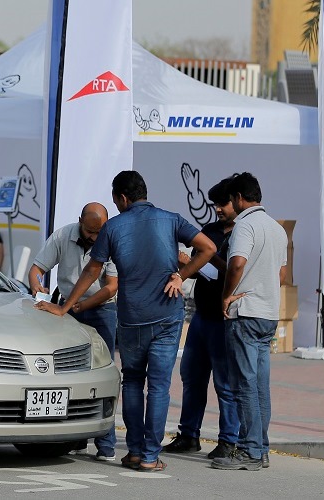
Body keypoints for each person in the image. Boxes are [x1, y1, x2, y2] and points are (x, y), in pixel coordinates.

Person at [37, 171, 216, 472]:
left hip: (132, 317)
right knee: (158, 386)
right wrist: (180, 276)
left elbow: (92, 272)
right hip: (167, 316)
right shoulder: (171, 219)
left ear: (122, 198)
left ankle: (134, 451)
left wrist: (65, 307)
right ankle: (149, 456)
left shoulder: (113, 227)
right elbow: (208, 248)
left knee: (132, 382)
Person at [28, 202, 119, 461]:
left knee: (102, 372)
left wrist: (78, 306)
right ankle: (76, 437)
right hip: (68, 307)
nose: (93, 238)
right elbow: (37, 269)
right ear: (80, 220)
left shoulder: (110, 240)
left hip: (100, 309)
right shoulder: (62, 236)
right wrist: (37, 286)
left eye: (98, 232)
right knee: (71, 371)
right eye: (89, 231)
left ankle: (106, 444)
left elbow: (111, 287)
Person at [211, 172, 288, 472]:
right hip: (268, 314)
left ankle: (250, 450)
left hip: (245, 313)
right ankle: (261, 448)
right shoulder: (276, 228)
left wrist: (227, 295)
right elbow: (281, 275)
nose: (230, 204)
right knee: (259, 385)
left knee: (244, 384)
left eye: (231, 199)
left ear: (239, 199)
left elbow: (237, 263)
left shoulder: (245, 225)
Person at [162, 178, 240, 459]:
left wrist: (209, 258)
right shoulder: (209, 230)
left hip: (225, 319)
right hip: (201, 316)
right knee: (191, 378)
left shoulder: (244, 232)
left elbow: (234, 270)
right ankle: (188, 435)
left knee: (225, 383)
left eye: (222, 204)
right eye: (214, 205)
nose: (217, 209)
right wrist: (188, 264)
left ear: (238, 200)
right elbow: (197, 270)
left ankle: (229, 440)